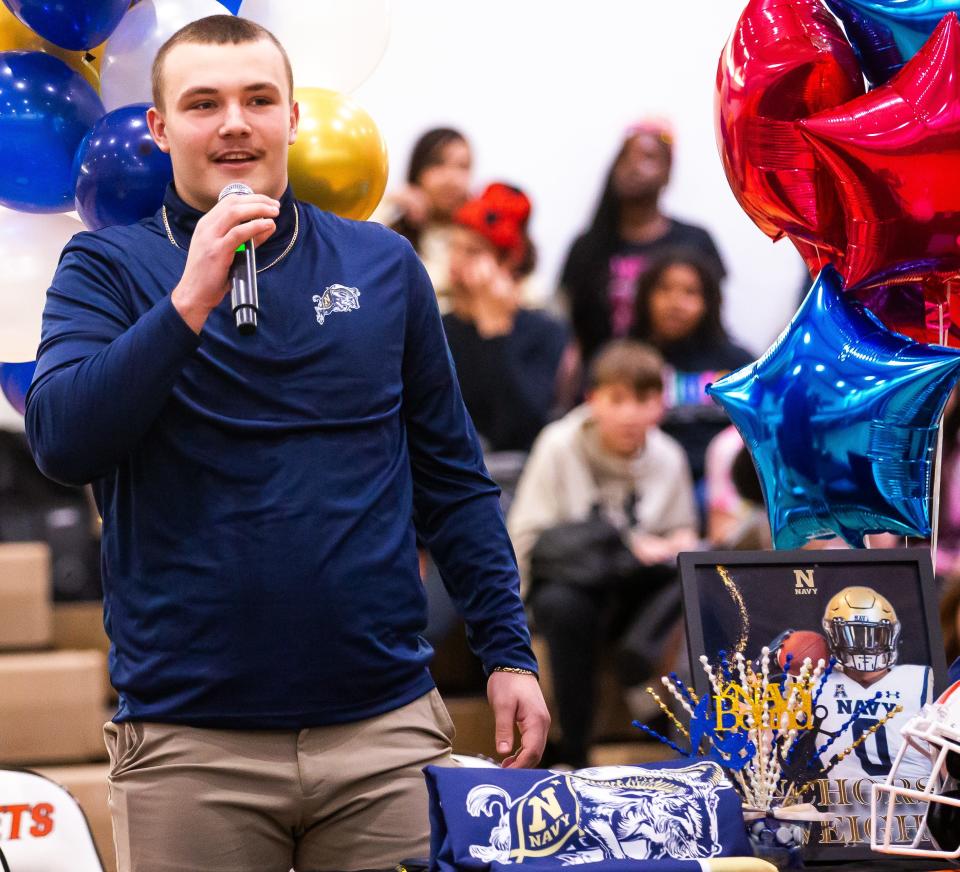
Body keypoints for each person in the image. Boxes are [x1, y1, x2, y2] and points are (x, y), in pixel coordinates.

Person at [24, 16, 548, 872]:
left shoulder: (384, 266)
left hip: (385, 734)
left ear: (293, 117)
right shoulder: (105, 268)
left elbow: (454, 480)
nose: (234, 122)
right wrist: (189, 298)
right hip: (190, 745)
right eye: (203, 103)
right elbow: (62, 442)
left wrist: (507, 650)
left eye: (257, 99)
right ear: (159, 128)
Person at [507, 340, 697, 767]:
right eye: (617, 399)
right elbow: (526, 535)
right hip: (576, 583)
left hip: (637, 592)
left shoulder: (669, 456)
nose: (630, 414)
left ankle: (642, 667)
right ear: (592, 400)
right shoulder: (558, 444)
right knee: (562, 604)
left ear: (661, 404)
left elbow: (685, 537)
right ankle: (574, 747)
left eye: (644, 399)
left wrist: (661, 547)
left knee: (691, 582)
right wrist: (511, 617)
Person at [559, 120, 725, 367]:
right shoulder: (588, 246)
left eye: (648, 158)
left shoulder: (695, 241)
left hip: (684, 376)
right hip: (606, 383)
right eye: (626, 157)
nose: (634, 167)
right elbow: (573, 326)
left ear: (668, 172)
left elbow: (711, 320)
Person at [443, 182, 569, 453]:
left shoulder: (545, 331)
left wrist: (493, 328)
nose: (456, 260)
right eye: (454, 247)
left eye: (473, 251)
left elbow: (522, 426)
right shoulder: (438, 327)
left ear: (509, 260)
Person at [629, 249, 754, 491]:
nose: (675, 303)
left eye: (690, 292)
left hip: (721, 483)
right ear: (645, 297)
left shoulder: (737, 362)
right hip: (648, 480)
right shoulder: (626, 359)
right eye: (664, 289)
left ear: (709, 301)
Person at [375, 127, 473, 311]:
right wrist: (390, 201)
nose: (451, 178)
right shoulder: (392, 224)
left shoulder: (475, 234)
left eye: (462, 166)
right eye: (438, 164)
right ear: (418, 169)